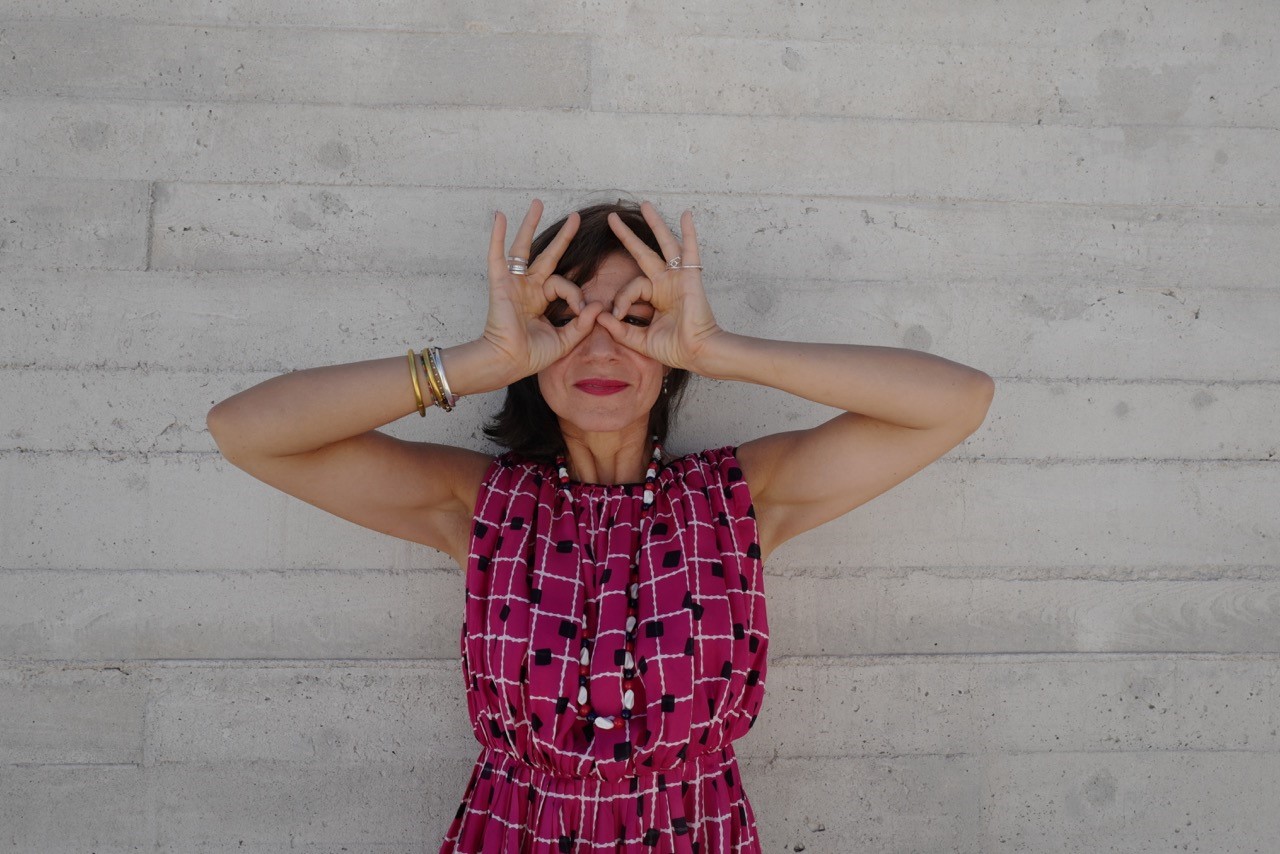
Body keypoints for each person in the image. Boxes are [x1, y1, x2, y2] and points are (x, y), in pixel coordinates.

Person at [206, 198, 995, 853]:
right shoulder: (483, 506)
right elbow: (246, 431)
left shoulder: (736, 501)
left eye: (634, 317)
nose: (600, 345)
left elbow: (957, 401)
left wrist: (719, 348)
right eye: (564, 318)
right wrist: (477, 361)